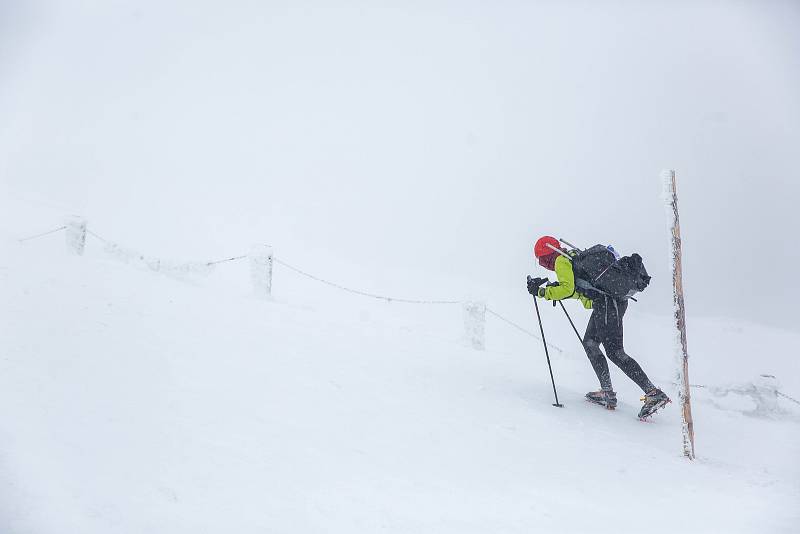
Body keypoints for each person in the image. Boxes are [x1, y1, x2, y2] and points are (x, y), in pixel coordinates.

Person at [527, 235, 670, 418]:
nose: (544, 264)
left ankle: (653, 394)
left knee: (615, 352)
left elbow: (567, 289)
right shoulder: (571, 257)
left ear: (546, 255)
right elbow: (579, 290)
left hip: (607, 305)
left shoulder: (561, 261)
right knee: (590, 343)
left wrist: (542, 292)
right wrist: (550, 288)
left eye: (542, 260)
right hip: (609, 303)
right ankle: (607, 392)